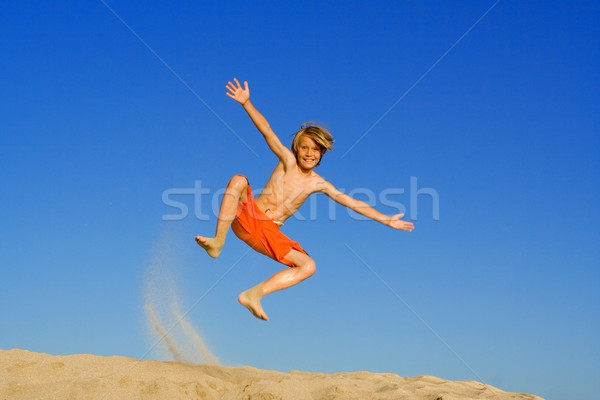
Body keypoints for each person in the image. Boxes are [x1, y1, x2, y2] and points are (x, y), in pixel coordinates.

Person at [196, 78, 414, 321]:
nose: (309, 153)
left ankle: (254, 294)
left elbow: (352, 202)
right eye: (305, 148)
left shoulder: (317, 183)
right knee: (238, 180)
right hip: (247, 218)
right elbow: (266, 131)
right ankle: (218, 242)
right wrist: (247, 104)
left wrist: (386, 220)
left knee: (309, 266)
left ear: (322, 153)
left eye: (315, 149)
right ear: (296, 149)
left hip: (270, 232)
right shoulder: (286, 161)